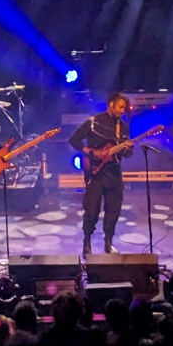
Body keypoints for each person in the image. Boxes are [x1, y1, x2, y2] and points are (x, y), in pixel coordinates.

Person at [69, 93, 132, 255]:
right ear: (111, 104)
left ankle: (108, 241)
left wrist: (128, 149)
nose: (122, 111)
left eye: (124, 108)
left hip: (114, 173)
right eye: (120, 107)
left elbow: (126, 155)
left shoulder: (123, 127)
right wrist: (88, 151)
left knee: (113, 209)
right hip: (95, 174)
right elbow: (74, 140)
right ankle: (87, 242)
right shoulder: (94, 122)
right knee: (91, 210)